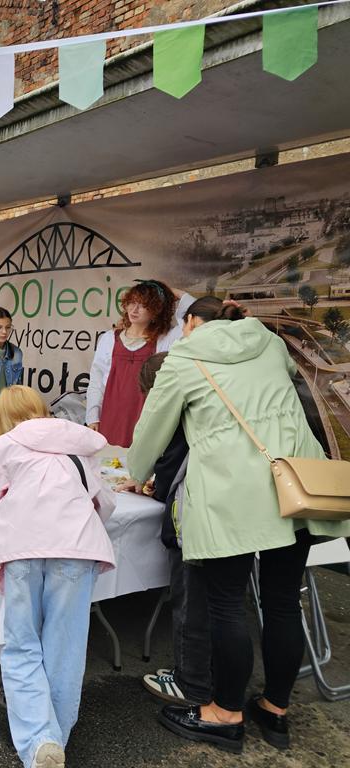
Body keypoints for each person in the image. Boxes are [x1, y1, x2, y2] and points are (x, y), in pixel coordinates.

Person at [129, 297, 350, 753]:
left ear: (191, 323)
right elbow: (285, 379)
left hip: (233, 491)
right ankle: (274, 710)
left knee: (226, 604)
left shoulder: (184, 359)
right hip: (297, 482)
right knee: (284, 602)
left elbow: (151, 433)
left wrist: (136, 472)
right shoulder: (268, 342)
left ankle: (224, 713)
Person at [0, 385, 115, 768]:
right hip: (77, 549)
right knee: (65, 647)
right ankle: (55, 737)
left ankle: (41, 741)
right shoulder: (79, 448)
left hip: (23, 546)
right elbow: (105, 502)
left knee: (22, 643)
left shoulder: (6, 445)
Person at [120, 353, 210, 709]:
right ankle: (211, 683)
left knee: (190, 598)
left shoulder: (176, 411)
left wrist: (150, 484)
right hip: (233, 517)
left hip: (194, 516)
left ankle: (191, 683)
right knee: (221, 604)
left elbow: (164, 458)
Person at [86, 280, 194, 448]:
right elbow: (96, 379)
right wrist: (93, 415)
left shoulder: (165, 340)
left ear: (157, 310)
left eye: (143, 305)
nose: (134, 310)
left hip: (145, 419)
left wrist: (176, 293)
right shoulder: (109, 339)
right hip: (110, 417)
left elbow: (194, 318)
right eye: (132, 302)